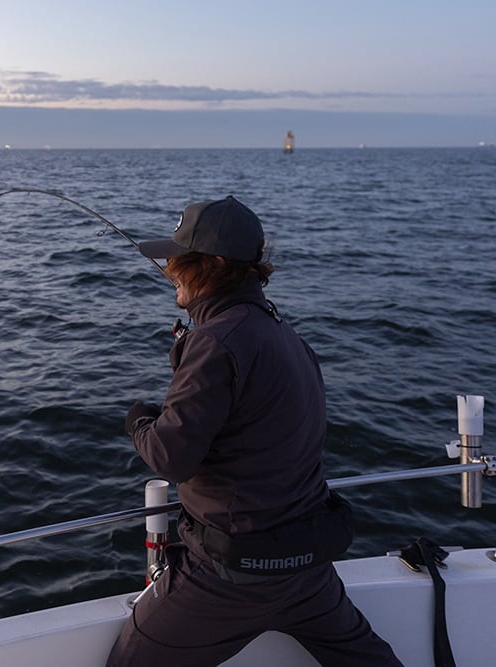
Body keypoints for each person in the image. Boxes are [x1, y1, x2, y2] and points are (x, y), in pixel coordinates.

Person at [107, 196, 402, 666]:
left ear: (216, 266)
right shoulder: (287, 338)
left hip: (230, 572)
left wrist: (138, 420)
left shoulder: (215, 343)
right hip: (305, 564)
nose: (169, 269)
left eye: (180, 259)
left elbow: (170, 458)